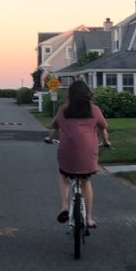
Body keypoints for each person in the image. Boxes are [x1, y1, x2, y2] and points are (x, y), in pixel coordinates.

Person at [44, 80, 111, 229]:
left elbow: (54, 128)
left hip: (67, 152)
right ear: (88, 94)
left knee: (63, 175)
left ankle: (64, 207)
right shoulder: (94, 110)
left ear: (70, 94)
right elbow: (103, 129)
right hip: (88, 154)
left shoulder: (63, 110)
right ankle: (88, 219)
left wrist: (49, 139)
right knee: (86, 182)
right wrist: (106, 142)